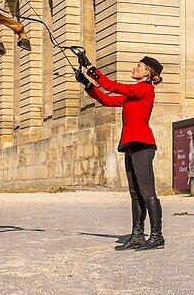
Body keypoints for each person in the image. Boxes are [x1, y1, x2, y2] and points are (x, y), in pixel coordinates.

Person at [76, 53, 164, 251]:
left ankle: (157, 236)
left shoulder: (144, 89)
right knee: (135, 193)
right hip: (131, 144)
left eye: (138, 66)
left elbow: (112, 86)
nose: (134, 68)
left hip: (142, 145)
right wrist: (87, 84)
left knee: (147, 192)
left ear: (147, 74)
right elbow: (107, 100)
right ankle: (138, 235)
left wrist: (91, 68)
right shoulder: (134, 94)